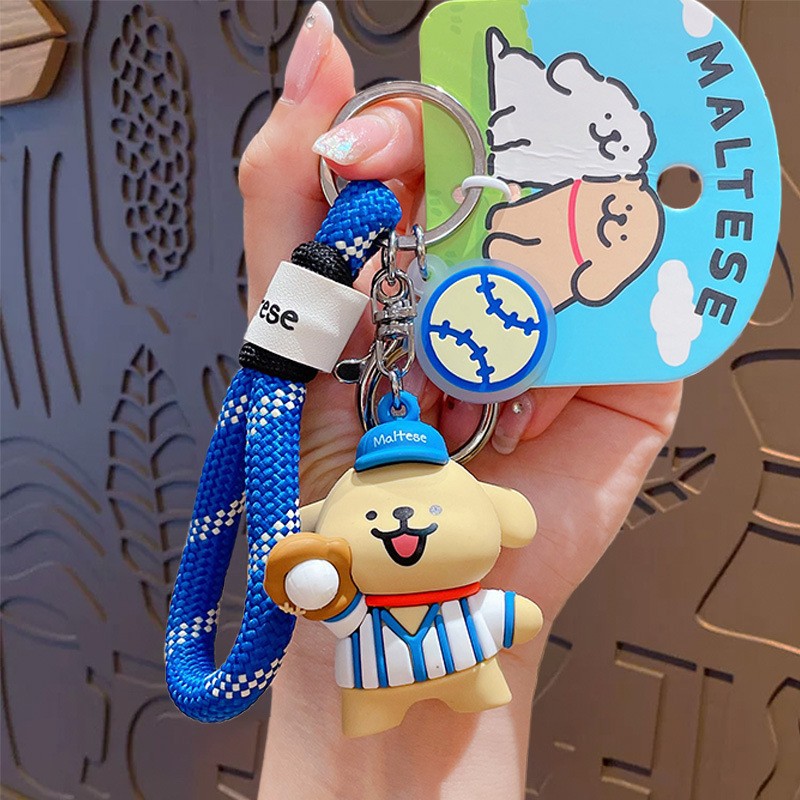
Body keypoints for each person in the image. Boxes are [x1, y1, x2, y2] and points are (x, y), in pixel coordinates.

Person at [240, 4, 681, 798]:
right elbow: (321, 573)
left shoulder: (428, 562)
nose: (402, 523)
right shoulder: (343, 532)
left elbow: (500, 611)